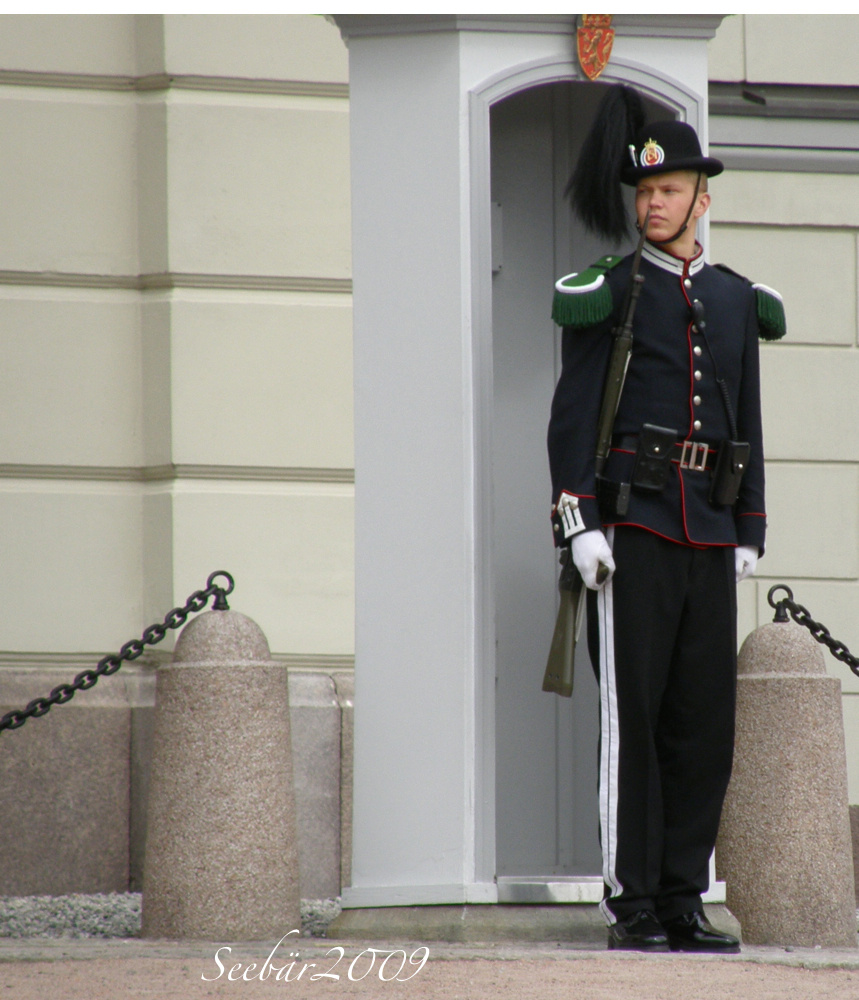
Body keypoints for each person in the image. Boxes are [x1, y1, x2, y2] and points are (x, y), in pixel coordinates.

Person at [547, 91, 785, 953]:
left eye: (669, 190)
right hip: (631, 526)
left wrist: (749, 523)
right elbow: (572, 418)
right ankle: (635, 900)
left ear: (700, 199)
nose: (653, 203)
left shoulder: (731, 300)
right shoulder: (605, 293)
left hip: (707, 531)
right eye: (643, 192)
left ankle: (685, 894)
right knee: (633, 722)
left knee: (699, 722)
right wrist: (579, 525)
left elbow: (745, 416)